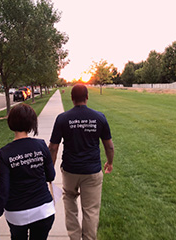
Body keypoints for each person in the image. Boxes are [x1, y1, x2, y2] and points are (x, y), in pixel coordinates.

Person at [0, 103, 56, 240]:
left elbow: (3, 190)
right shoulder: (41, 145)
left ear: (11, 123)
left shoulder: (4, 153)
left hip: (17, 214)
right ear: (32, 123)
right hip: (43, 210)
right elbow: (51, 175)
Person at [49, 84, 114, 240]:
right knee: (91, 210)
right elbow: (109, 145)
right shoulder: (99, 117)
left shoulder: (63, 118)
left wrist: (50, 170)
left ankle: (74, 236)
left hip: (70, 170)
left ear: (72, 98)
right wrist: (110, 162)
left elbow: (53, 148)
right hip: (92, 171)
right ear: (87, 97)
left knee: (69, 202)